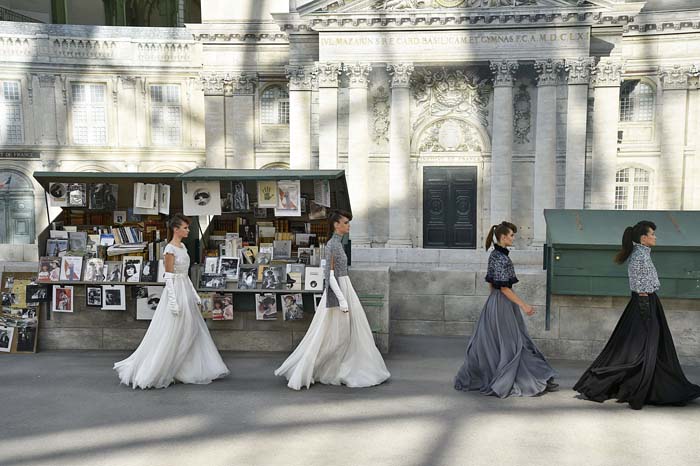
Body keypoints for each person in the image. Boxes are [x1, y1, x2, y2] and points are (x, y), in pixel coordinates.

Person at [574, 221, 700, 409]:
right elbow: (641, 287)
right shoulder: (640, 257)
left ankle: (648, 384)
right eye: (653, 234)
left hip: (647, 302)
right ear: (643, 238)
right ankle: (626, 385)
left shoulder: (642, 255)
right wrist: (647, 313)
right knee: (643, 348)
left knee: (646, 347)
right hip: (644, 303)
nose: (655, 237)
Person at [274, 209, 390, 390]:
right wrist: (342, 300)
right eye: (345, 222)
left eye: (348, 222)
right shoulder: (332, 245)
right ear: (336, 225)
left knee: (342, 332)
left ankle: (336, 366)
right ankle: (316, 367)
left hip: (344, 288)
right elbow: (329, 275)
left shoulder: (338, 244)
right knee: (333, 334)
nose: (348, 225)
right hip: (338, 291)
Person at [114, 213, 229, 389]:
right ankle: (160, 367)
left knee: (190, 329)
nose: (188, 230)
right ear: (176, 229)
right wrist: (173, 301)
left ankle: (184, 367)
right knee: (173, 330)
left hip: (184, 288)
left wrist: (194, 293)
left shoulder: (182, 247)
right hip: (174, 290)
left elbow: (185, 274)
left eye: (188, 227)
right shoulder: (170, 249)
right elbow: (168, 277)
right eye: (185, 227)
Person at [454, 221, 557, 398]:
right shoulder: (501, 258)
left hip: (495, 303)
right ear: (503, 237)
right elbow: (504, 288)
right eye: (511, 235)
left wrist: (495, 303)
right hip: (502, 304)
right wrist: (524, 306)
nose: (513, 238)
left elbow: (491, 284)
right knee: (512, 344)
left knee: (501, 343)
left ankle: (532, 375)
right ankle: (523, 379)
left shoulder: (495, 255)